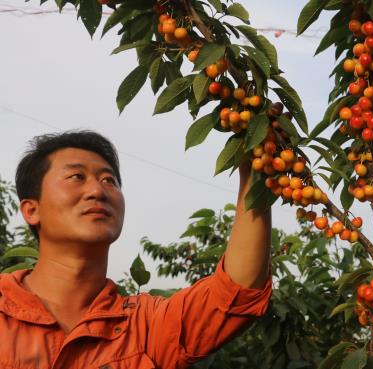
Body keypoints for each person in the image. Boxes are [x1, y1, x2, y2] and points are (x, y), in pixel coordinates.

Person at [0, 130, 272, 368]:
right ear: (32, 210)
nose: (97, 190)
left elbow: (237, 291)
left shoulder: (146, 326)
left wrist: (255, 167)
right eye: (76, 176)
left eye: (109, 180)